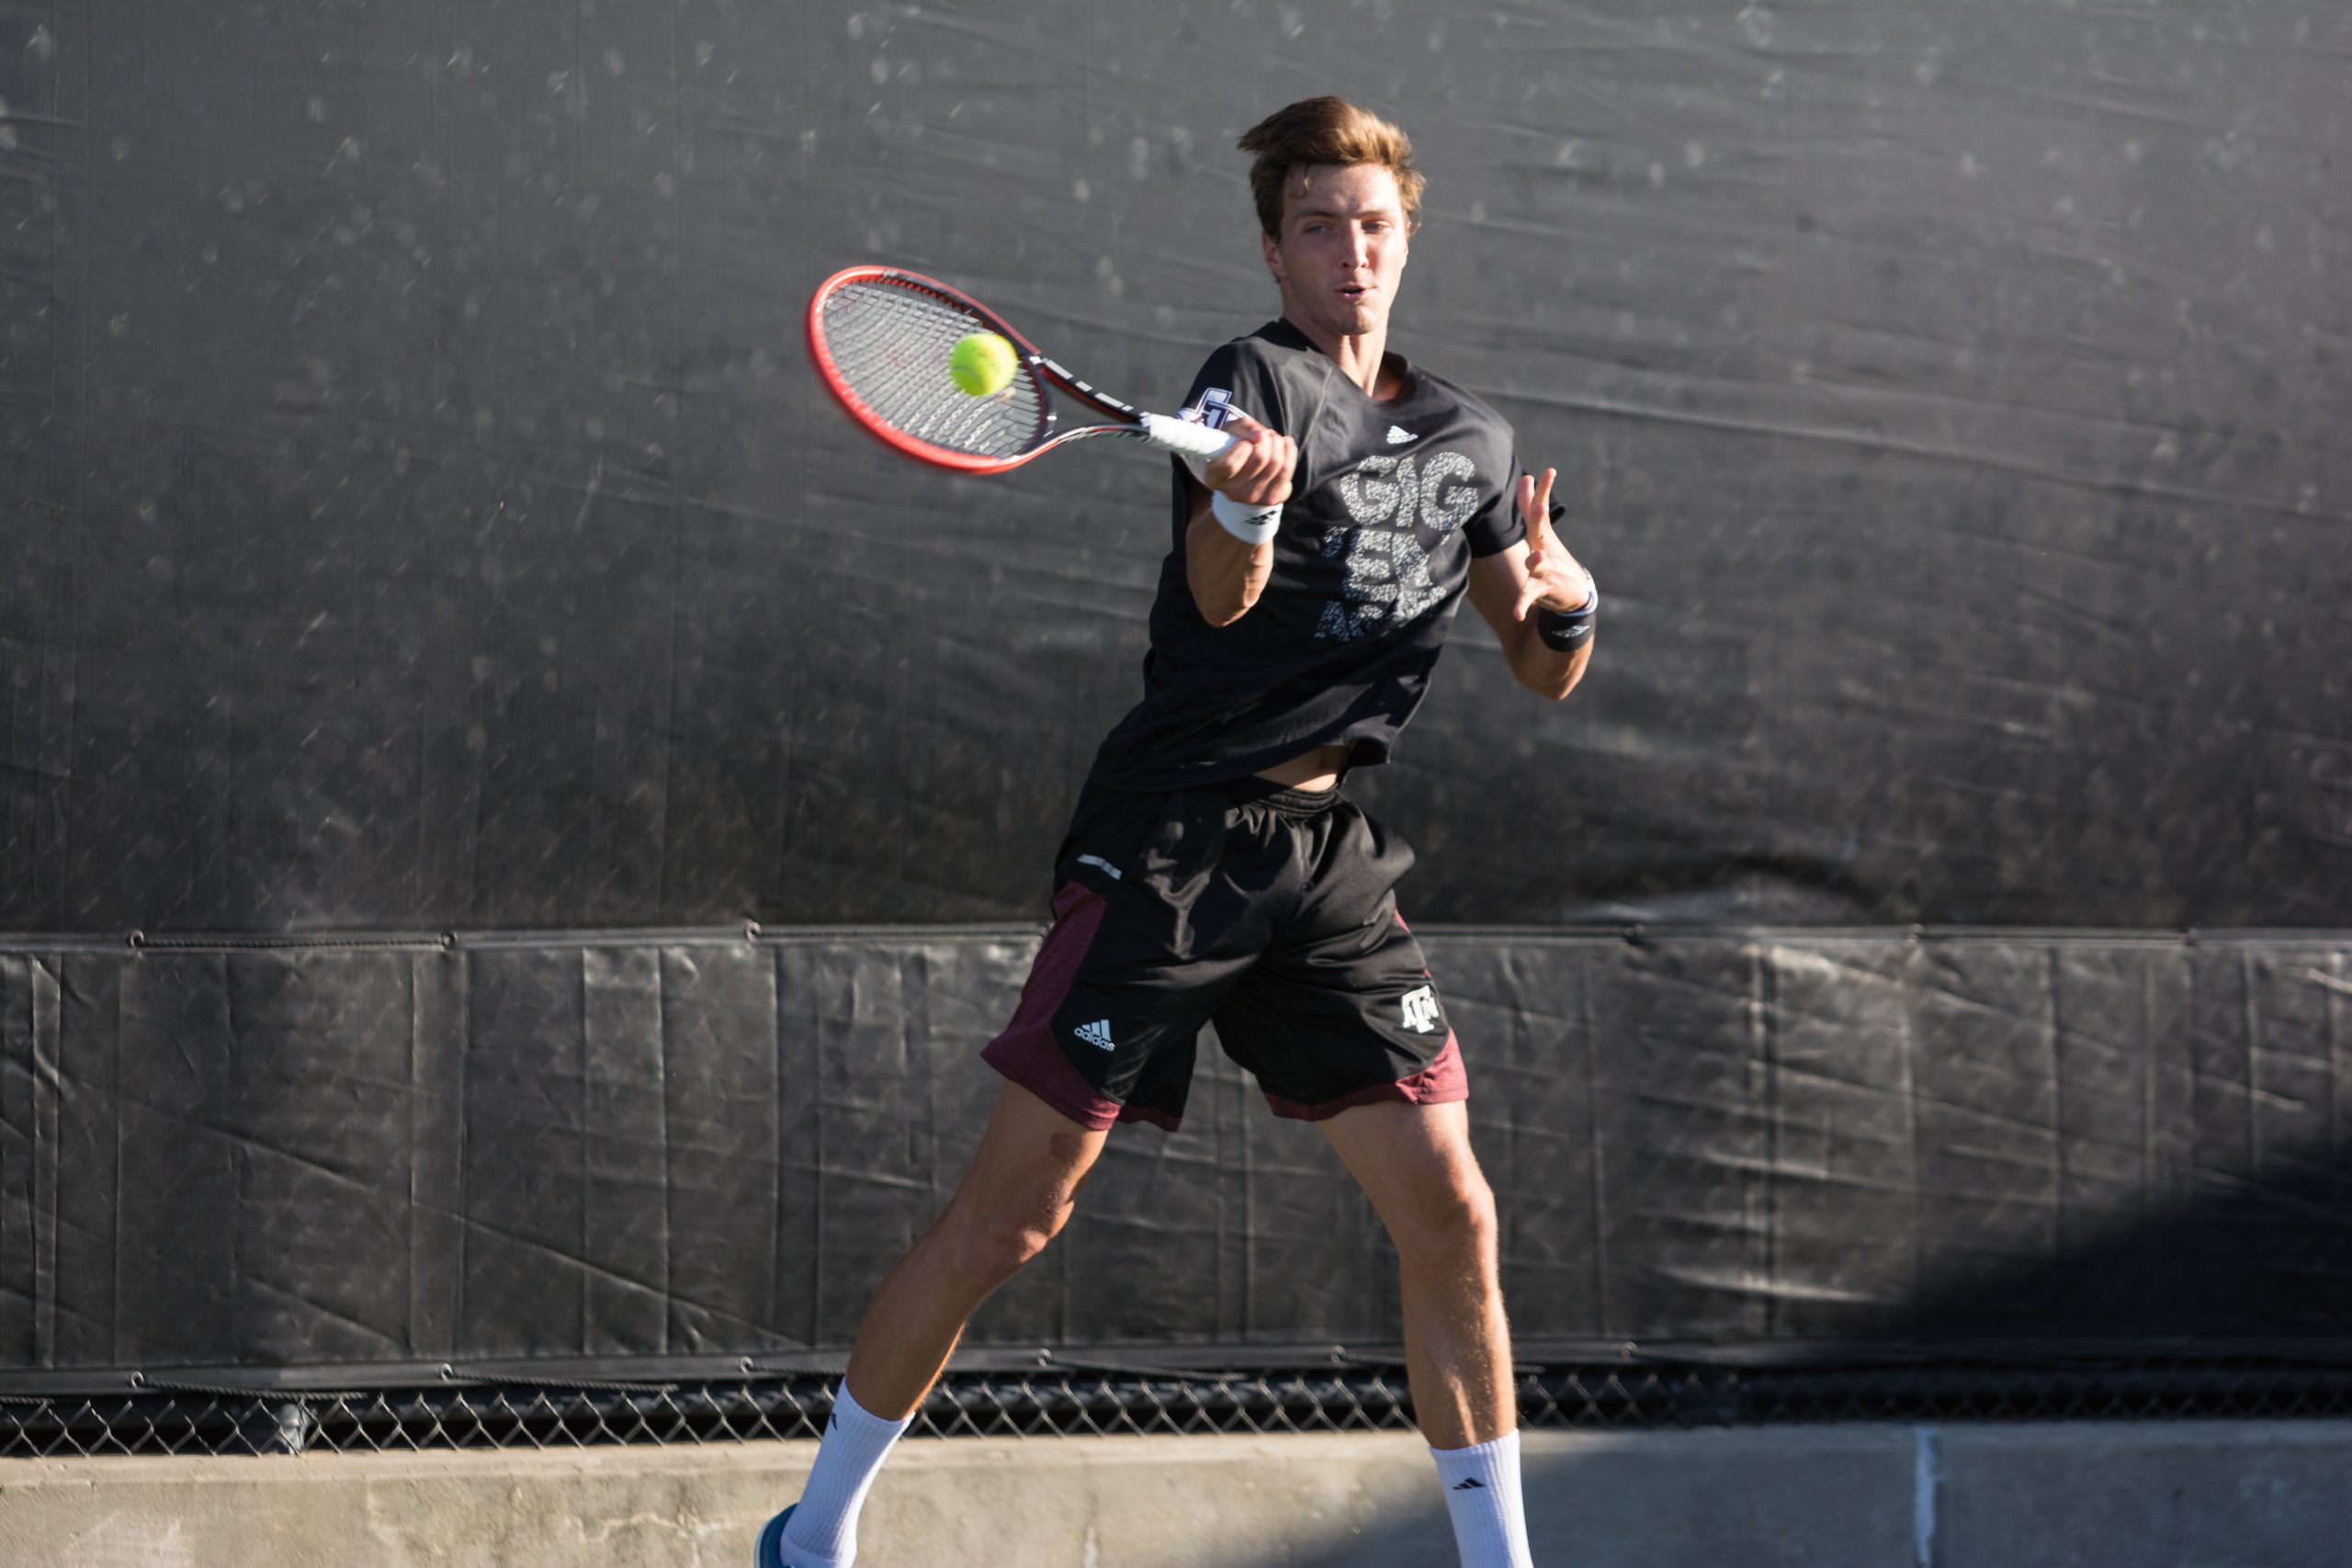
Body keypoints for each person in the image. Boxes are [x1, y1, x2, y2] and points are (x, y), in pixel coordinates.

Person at [760, 95, 1596, 1568]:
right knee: (1014, 1220)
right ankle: (813, 1535)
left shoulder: (1472, 435)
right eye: (1322, 227)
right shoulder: (1247, 386)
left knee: (1455, 1216)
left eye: (1376, 226)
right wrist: (1249, 513)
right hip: (1177, 849)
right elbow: (1217, 597)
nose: (1353, 252)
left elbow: (1536, 659)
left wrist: (1566, 601)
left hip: (1331, 867)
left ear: (1410, 242)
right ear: (1276, 250)